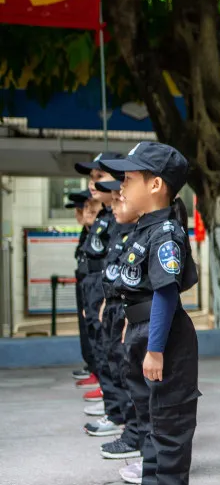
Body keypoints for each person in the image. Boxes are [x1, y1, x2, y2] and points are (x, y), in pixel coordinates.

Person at [100, 141, 200, 485]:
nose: (121, 187)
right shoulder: (145, 230)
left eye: (129, 178)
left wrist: (155, 349)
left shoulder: (166, 234)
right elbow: (136, 290)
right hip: (144, 330)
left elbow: (164, 293)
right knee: (150, 417)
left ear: (156, 184)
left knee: (169, 418)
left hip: (165, 336)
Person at [92, 179, 143, 461]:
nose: (116, 202)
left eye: (121, 197)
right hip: (118, 307)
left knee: (134, 378)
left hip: (132, 314)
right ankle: (130, 430)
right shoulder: (125, 231)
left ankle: (136, 437)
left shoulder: (146, 232)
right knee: (119, 369)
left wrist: (126, 314)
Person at [73, 152, 125, 419]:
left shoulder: (119, 216)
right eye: (92, 178)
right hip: (96, 290)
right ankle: (113, 408)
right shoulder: (105, 216)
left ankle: (118, 413)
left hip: (110, 293)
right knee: (102, 349)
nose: (93, 183)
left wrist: (105, 298)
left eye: (99, 176)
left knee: (113, 355)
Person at [68, 190, 95, 381]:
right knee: (87, 328)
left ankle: (97, 372)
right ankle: (93, 367)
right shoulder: (86, 233)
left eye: (84, 208)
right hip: (85, 284)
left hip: (94, 287)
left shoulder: (98, 230)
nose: (80, 213)